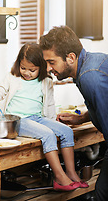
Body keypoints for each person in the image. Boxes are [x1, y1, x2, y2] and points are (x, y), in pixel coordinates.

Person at [0, 43, 88, 191]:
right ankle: (59, 177)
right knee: (48, 135)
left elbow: (49, 105)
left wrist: (53, 122)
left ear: (41, 67)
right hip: (18, 120)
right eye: (23, 68)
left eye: (32, 70)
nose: (27, 73)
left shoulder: (46, 81)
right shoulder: (13, 77)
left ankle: (71, 173)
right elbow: (1, 91)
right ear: (18, 64)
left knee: (66, 132)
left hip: (37, 118)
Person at [39, 25, 108, 200]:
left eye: (51, 62)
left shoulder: (89, 77)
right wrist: (82, 118)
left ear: (70, 57)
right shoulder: (91, 63)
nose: (48, 69)